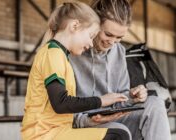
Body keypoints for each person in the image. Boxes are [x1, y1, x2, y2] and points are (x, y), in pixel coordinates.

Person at [21, 1, 131, 140]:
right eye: (90, 36)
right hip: (44, 134)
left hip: (60, 131)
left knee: (118, 132)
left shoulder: (61, 56)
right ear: (74, 26)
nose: (91, 43)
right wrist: (101, 100)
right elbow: (61, 103)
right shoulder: (52, 54)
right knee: (118, 135)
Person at [70, 0, 171, 140]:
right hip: (83, 122)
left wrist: (131, 97)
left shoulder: (119, 51)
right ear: (93, 23)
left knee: (155, 104)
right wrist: (87, 120)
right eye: (108, 34)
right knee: (118, 131)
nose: (112, 42)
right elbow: (61, 106)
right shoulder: (72, 51)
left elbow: (120, 99)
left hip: (112, 117)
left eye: (119, 37)